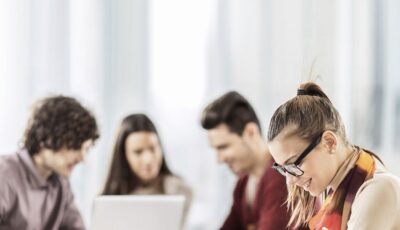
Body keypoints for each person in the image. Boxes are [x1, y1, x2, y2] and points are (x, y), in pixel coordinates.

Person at [267, 82, 400, 230]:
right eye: (284, 169)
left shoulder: (378, 190)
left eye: (294, 164)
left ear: (329, 143)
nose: (290, 180)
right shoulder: (335, 194)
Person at [201, 91, 301, 230]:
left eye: (223, 147)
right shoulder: (243, 183)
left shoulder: (282, 177)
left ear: (250, 132)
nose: (220, 159)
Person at [0, 96, 99, 230]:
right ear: (46, 139)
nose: (82, 158)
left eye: (85, 149)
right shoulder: (4, 174)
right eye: (75, 147)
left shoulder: (61, 182)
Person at [101, 114, 192, 223]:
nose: (148, 159)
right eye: (138, 152)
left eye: (153, 149)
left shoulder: (180, 190)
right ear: (124, 156)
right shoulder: (107, 199)